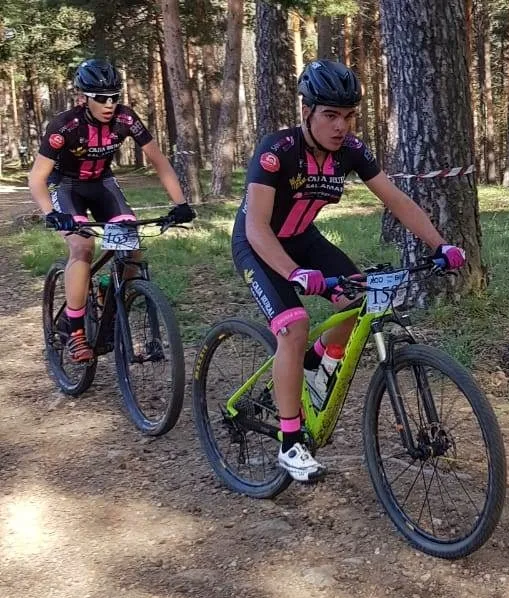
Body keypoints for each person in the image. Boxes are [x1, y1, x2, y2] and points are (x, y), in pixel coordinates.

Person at [232, 59, 466, 483]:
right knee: (294, 326)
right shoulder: (276, 151)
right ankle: (289, 442)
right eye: (330, 115)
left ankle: (311, 363)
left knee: (360, 301)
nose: (341, 126)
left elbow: (397, 200)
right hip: (258, 245)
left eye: (349, 115)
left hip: (303, 238)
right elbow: (256, 227)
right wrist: (294, 273)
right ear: (307, 111)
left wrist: (440, 244)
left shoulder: (352, 151)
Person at [28, 59, 195, 363]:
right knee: (82, 247)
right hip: (66, 186)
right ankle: (76, 332)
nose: (109, 104)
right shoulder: (64, 126)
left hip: (102, 184)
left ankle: (107, 289)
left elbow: (159, 162)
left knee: (132, 247)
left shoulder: (126, 119)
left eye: (115, 97)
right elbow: (37, 178)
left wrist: (181, 204)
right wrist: (50, 212)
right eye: (101, 98)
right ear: (83, 98)